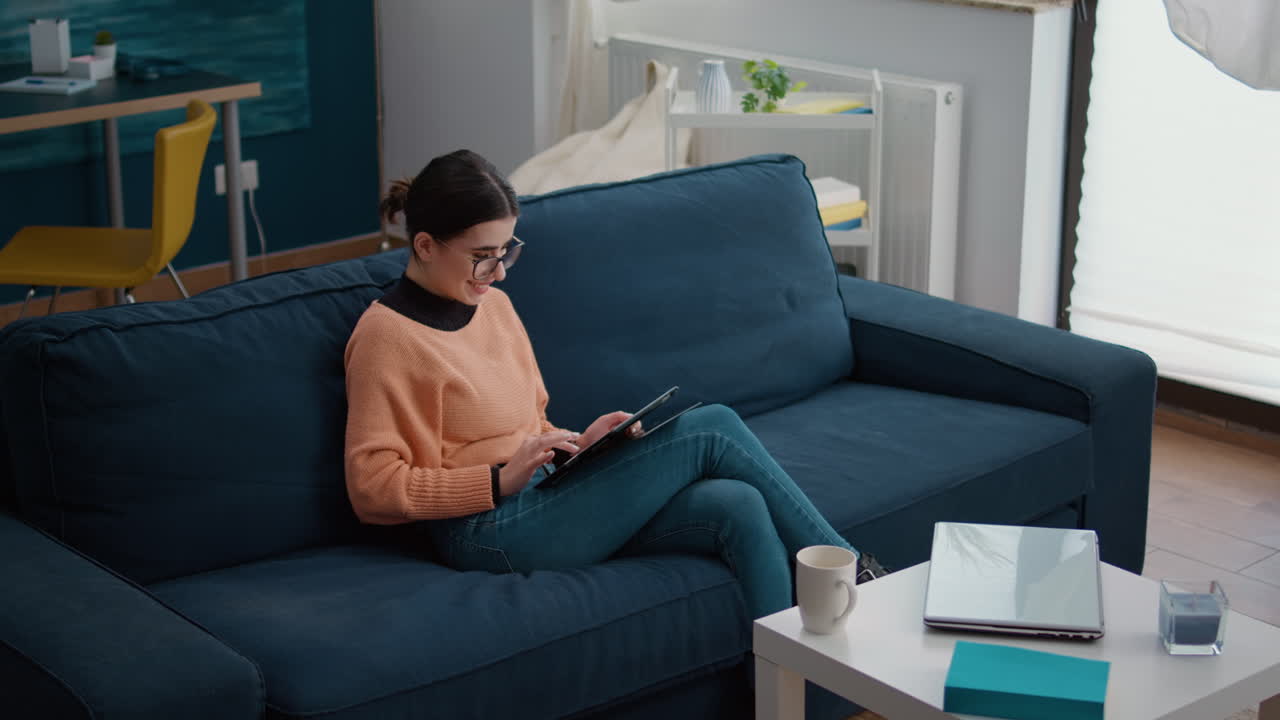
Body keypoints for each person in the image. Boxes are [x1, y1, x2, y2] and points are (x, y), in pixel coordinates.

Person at [343, 149, 875, 620]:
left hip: (543, 495)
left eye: (506, 251)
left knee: (738, 504)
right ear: (426, 245)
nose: (500, 272)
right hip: (483, 530)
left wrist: (579, 447)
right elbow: (372, 489)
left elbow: (531, 426)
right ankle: (864, 583)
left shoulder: (494, 307)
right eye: (484, 257)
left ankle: (781, 684)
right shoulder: (387, 338)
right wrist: (498, 480)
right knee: (711, 428)